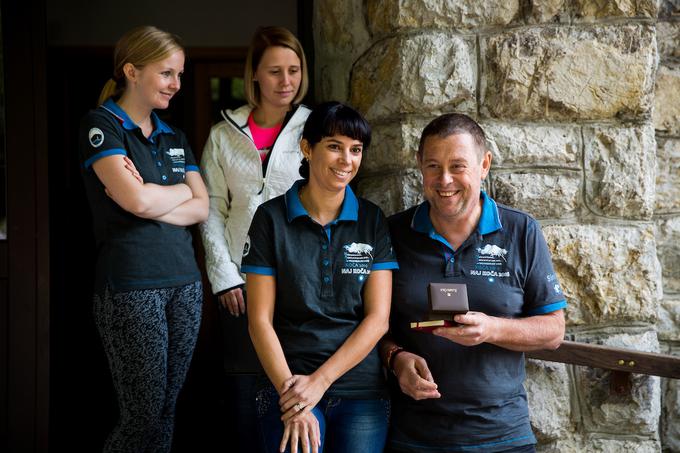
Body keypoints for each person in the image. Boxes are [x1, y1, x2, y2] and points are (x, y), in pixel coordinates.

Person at [381, 113, 566, 453]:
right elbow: (372, 325)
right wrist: (395, 358)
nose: (445, 179)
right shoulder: (392, 233)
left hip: (503, 436)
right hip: (414, 437)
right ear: (420, 165)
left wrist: (491, 329)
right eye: (433, 166)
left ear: (484, 165)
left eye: (458, 166)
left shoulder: (521, 231)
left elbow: (553, 331)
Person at [78, 26, 208, 452]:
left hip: (185, 284)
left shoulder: (173, 135)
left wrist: (154, 198)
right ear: (132, 71)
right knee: (142, 418)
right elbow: (134, 200)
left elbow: (202, 207)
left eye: (180, 75)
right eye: (167, 73)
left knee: (166, 414)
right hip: (132, 286)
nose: (177, 84)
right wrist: (174, 194)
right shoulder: (102, 125)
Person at [243, 102, 398, 453]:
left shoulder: (372, 220)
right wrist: (295, 396)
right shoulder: (270, 219)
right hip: (286, 381)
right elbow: (259, 321)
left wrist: (320, 382)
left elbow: (378, 319)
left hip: (360, 390)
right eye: (334, 146)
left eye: (355, 150)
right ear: (307, 148)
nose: (347, 160)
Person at [199, 26, 311, 451]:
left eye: (294, 70)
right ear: (255, 78)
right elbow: (211, 208)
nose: (286, 82)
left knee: (294, 392)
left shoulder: (313, 128)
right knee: (247, 398)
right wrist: (224, 276)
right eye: (275, 72)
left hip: (298, 281)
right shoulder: (224, 134)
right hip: (241, 287)